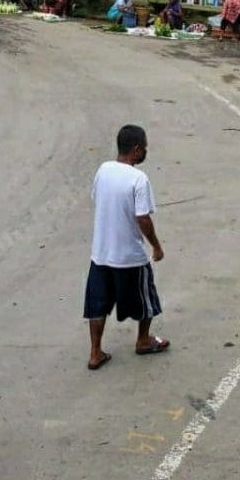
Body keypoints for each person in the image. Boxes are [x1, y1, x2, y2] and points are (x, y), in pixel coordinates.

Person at [84, 125, 168, 371]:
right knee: (147, 299)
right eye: (145, 148)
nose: (146, 152)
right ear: (137, 149)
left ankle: (95, 352)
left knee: (97, 304)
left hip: (101, 254)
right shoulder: (138, 179)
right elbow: (143, 218)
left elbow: (97, 198)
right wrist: (156, 246)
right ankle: (143, 340)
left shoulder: (103, 170)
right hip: (129, 256)